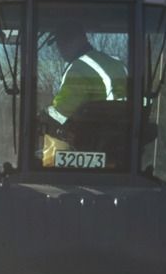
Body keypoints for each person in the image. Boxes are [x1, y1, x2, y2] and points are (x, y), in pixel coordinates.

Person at [41, 21, 127, 167]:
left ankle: (48, 171)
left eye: (66, 40)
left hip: (96, 147)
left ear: (80, 39)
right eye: (61, 42)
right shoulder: (118, 64)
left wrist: (38, 119)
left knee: (50, 134)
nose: (61, 47)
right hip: (123, 149)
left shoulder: (79, 68)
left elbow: (59, 115)